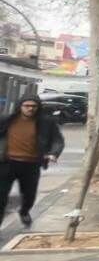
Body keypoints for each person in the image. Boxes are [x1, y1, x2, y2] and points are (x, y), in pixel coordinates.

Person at [0, 95, 65, 227]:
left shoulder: (46, 123)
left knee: (29, 195)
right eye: (27, 106)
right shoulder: (7, 120)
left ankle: (24, 211)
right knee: (1, 197)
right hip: (7, 164)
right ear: (20, 106)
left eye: (33, 106)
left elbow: (58, 140)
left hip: (31, 165)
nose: (30, 109)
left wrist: (53, 153)